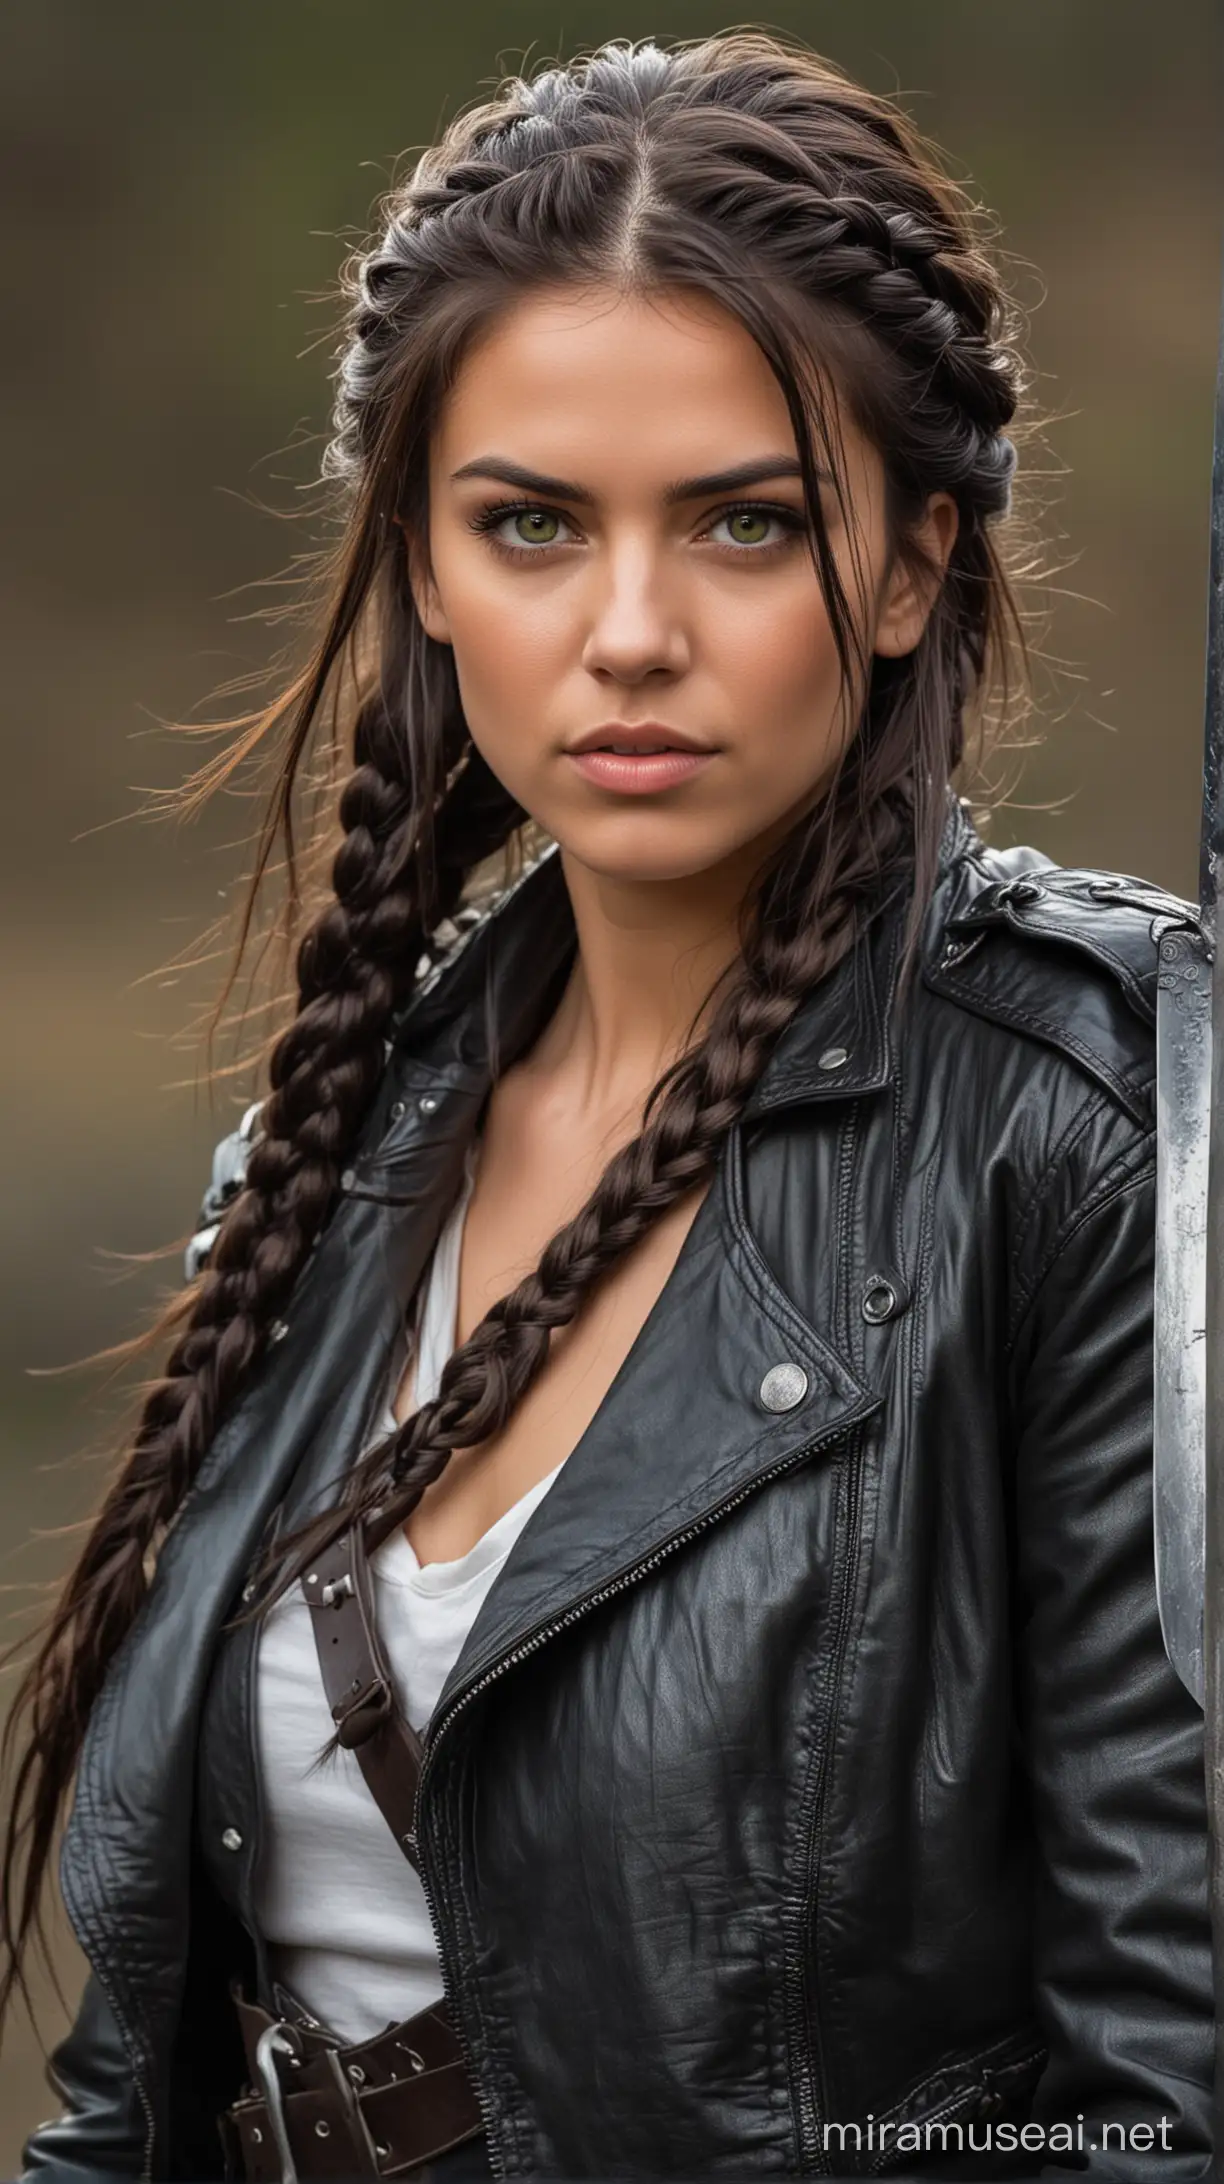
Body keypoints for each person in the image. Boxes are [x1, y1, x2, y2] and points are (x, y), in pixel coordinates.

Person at [1, 27, 1213, 2184]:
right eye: (534, 525)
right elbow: (135, 2074)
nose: (628, 631)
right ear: (429, 567)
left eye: (746, 526)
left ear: (917, 562)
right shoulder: (331, 1153)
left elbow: (1166, 2110)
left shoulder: (1095, 1131)